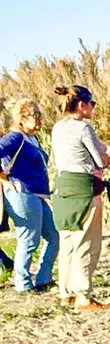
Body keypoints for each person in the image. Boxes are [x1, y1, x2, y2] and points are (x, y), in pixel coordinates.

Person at [51, 85, 110, 310]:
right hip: (84, 188)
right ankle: (83, 295)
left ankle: (65, 293)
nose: (93, 107)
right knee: (86, 242)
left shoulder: (57, 128)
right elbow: (100, 161)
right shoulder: (84, 128)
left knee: (67, 241)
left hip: (62, 186)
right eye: (91, 103)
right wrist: (105, 153)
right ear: (81, 105)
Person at [0, 99, 58, 293]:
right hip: (22, 194)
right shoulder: (14, 137)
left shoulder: (32, 138)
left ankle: (44, 278)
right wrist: (5, 179)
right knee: (29, 239)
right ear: (22, 118)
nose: (40, 118)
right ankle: (23, 283)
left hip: (37, 195)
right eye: (35, 114)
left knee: (53, 236)